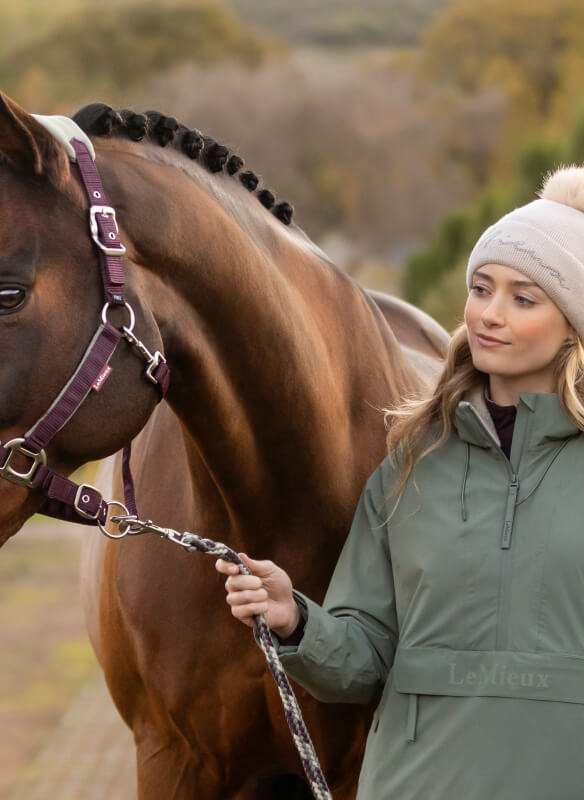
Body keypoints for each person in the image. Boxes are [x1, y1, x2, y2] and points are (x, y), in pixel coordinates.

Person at [216, 165, 584, 799]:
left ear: (574, 325)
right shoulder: (414, 463)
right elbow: (364, 658)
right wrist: (296, 620)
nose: (490, 315)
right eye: (481, 289)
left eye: (523, 299)